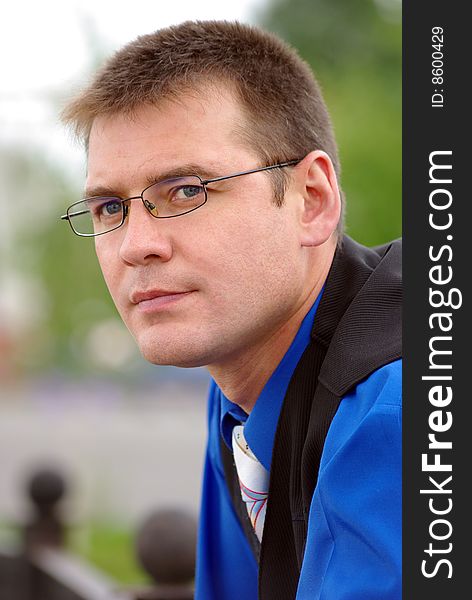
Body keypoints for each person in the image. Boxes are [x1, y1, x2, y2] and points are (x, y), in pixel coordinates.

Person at [60, 20, 401, 599]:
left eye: (187, 191)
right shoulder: (242, 386)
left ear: (310, 201)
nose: (135, 244)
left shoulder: (398, 405)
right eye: (109, 207)